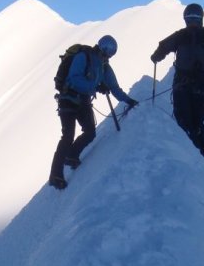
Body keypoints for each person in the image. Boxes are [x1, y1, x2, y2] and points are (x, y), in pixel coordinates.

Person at [49, 35, 138, 189]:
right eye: (108, 52)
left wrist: (128, 100)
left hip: (82, 101)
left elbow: (114, 87)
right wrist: (94, 86)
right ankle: (55, 175)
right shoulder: (84, 56)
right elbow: (74, 78)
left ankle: (71, 155)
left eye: (111, 54)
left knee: (90, 132)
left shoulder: (104, 66)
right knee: (68, 135)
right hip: (68, 98)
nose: (108, 56)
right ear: (102, 48)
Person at [150, 3, 204, 158]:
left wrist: (157, 56)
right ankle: (201, 157)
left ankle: (190, 157)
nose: (193, 21)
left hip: (182, 84)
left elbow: (164, 46)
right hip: (200, 87)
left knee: (184, 121)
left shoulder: (181, 35)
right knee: (196, 122)